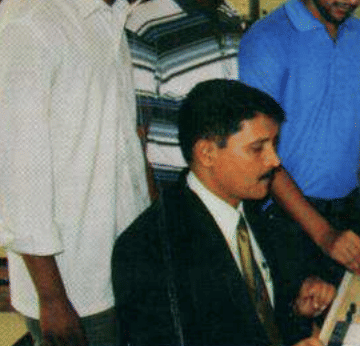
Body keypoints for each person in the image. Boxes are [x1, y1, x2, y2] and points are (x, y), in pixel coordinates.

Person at [0, 0, 188, 345]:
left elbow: (123, 146)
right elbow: (16, 173)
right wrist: (52, 298)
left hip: (121, 272)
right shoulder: (33, 19)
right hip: (73, 288)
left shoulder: (111, 18)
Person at [112, 79, 334, 346]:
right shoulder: (147, 250)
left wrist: (297, 309)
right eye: (257, 148)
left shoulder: (256, 210)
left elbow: (259, 320)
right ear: (206, 153)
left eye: (274, 145)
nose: (275, 160)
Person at [238, 0, 360, 285]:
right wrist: (324, 235)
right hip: (286, 216)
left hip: (347, 212)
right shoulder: (266, 40)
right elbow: (260, 151)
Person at [127, 0, 255, 196]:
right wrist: (158, 212)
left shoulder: (231, 19)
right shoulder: (146, 24)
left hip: (223, 195)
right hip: (175, 198)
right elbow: (135, 134)